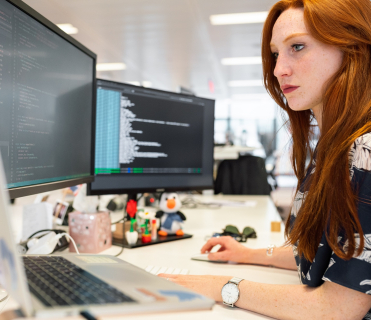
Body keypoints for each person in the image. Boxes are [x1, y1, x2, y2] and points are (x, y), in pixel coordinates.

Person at [159, 0, 371, 318]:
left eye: (297, 46)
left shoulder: (365, 152)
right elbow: (321, 256)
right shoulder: (331, 150)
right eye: (275, 54)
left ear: (351, 48)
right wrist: (248, 254)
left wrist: (219, 287)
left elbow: (340, 306)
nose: (277, 69)